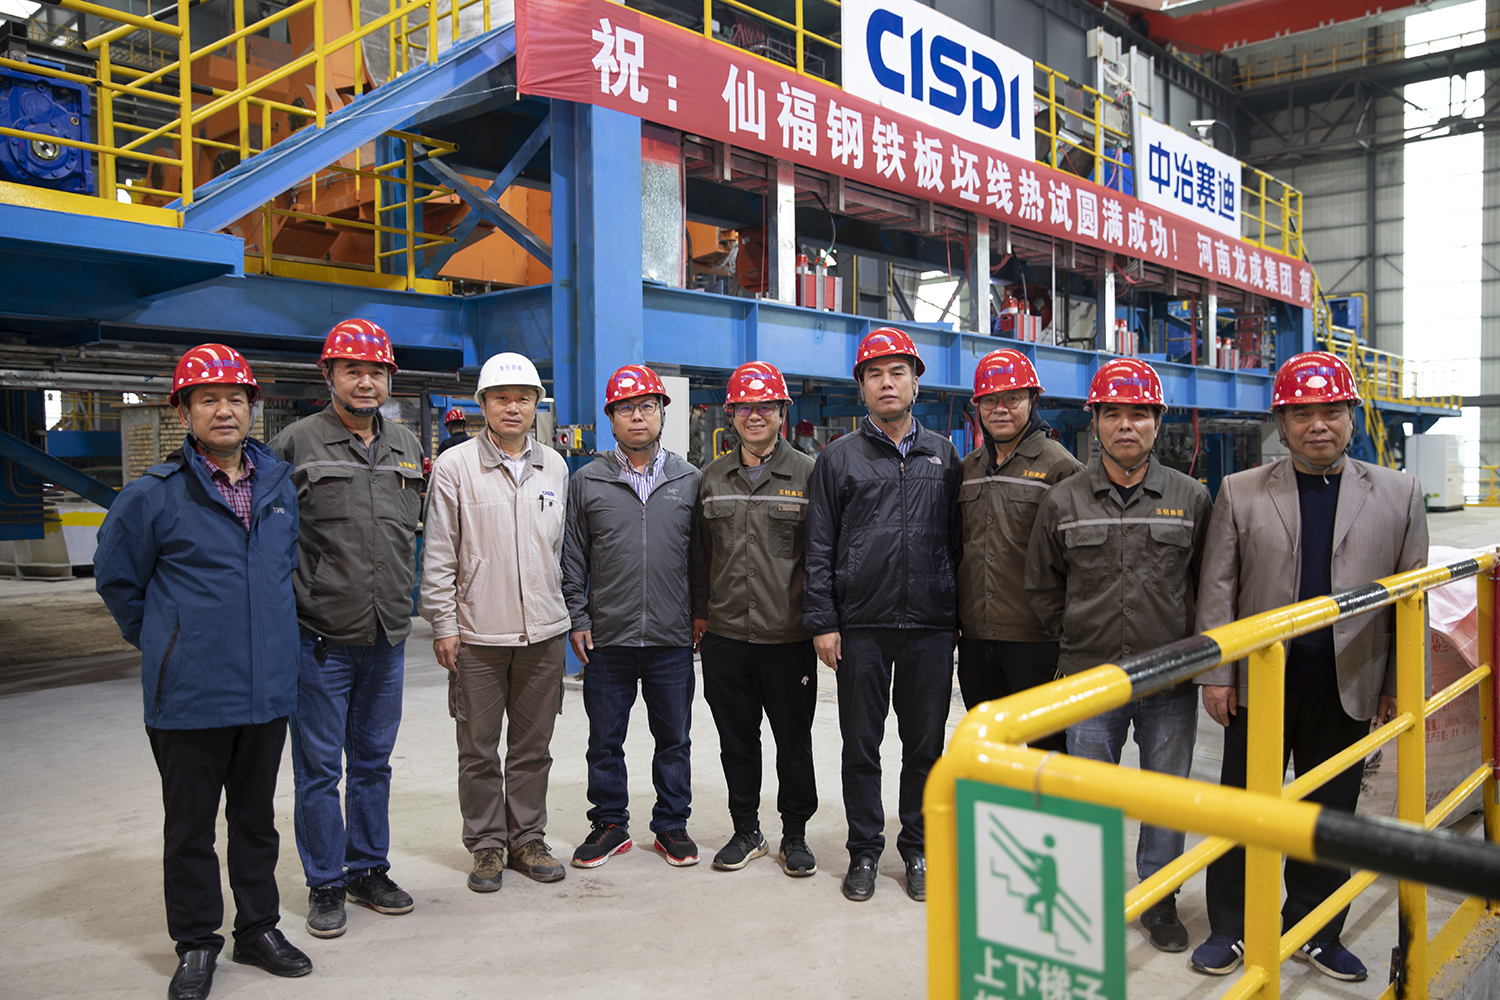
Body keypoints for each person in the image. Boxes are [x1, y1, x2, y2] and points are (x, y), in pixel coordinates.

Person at [1189, 352, 1428, 983]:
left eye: (1330, 411)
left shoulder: (1399, 494)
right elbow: (1218, 588)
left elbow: (1411, 601)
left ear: (1351, 417)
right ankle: (1231, 926)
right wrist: (1217, 673)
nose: (1317, 424)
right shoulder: (1241, 490)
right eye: (1301, 413)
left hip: (1350, 680)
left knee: (1331, 812)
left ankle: (1317, 930)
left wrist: (1398, 685)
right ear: (1281, 422)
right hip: (1259, 683)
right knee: (1242, 807)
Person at [95, 345, 311, 1000]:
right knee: (189, 827)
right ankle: (195, 942)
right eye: (208, 399)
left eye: (235, 398)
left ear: (253, 409)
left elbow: (285, 571)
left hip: (266, 690)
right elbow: (119, 583)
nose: (224, 410)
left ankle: (259, 928)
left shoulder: (277, 487)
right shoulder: (151, 497)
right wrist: (170, 644)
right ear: (184, 412)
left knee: (256, 820)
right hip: (189, 696)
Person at [1025, 358, 1210, 953]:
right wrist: (1076, 636)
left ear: (1158, 422)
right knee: (1089, 796)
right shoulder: (1064, 499)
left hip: (1170, 680)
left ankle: (1160, 900)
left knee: (1165, 795)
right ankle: (1089, 897)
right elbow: (1042, 584)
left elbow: (1208, 584)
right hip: (1089, 678)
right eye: (1112, 414)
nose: (1125, 425)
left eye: (1138, 414)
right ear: (1096, 423)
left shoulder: (1191, 498)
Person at [269, 318, 425, 939]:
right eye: (352, 370)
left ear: (389, 379)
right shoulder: (294, 445)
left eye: (376, 372)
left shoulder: (406, 444)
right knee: (318, 771)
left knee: (373, 764)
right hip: (320, 637)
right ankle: (325, 881)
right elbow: (270, 543)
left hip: (387, 635)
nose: (366, 382)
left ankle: (367, 869)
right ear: (328, 375)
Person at [802, 327, 963, 903]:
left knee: (925, 747)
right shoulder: (838, 458)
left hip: (930, 627)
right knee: (861, 745)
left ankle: (917, 847)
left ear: (916, 383)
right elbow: (819, 544)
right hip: (861, 627)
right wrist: (824, 621)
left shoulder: (944, 455)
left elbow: (959, 542)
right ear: (862, 387)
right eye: (875, 374)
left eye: (898, 372)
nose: (887, 383)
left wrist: (956, 618)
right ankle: (865, 851)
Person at [421, 353, 571, 892]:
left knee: (533, 748)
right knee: (478, 749)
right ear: (482, 404)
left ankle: (527, 838)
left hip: (544, 634)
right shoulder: (455, 466)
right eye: (501, 398)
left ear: (535, 406)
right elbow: (439, 552)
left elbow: (560, 549)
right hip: (478, 633)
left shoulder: (555, 467)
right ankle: (486, 843)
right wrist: (444, 623)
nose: (512, 407)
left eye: (523, 398)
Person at [562, 364, 702, 868]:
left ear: (662, 413)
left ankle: (671, 825)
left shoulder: (689, 479)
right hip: (609, 636)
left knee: (674, 740)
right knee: (604, 740)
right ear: (611, 418)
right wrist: (579, 617)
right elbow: (573, 557)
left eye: (647, 406)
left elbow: (701, 557)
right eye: (626, 408)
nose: (637, 416)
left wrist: (700, 614)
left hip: (671, 637)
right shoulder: (588, 481)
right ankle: (609, 825)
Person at [690, 361, 819, 876]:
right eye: (745, 406)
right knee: (736, 741)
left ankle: (795, 835)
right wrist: (699, 615)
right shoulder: (711, 478)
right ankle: (746, 830)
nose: (755, 415)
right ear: (731, 414)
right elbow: (700, 558)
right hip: (725, 637)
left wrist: (823, 623)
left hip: (789, 638)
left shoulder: (809, 475)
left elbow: (822, 557)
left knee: (794, 742)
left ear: (782, 412)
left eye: (766, 406)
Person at [956, 349, 1083, 750]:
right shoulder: (968, 468)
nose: (1000, 408)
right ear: (977, 406)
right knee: (988, 750)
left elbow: (1080, 563)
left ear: (1032, 400)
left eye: (1012, 398)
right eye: (990, 400)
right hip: (976, 638)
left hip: (1038, 640)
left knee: (1048, 752)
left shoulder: (1061, 468)